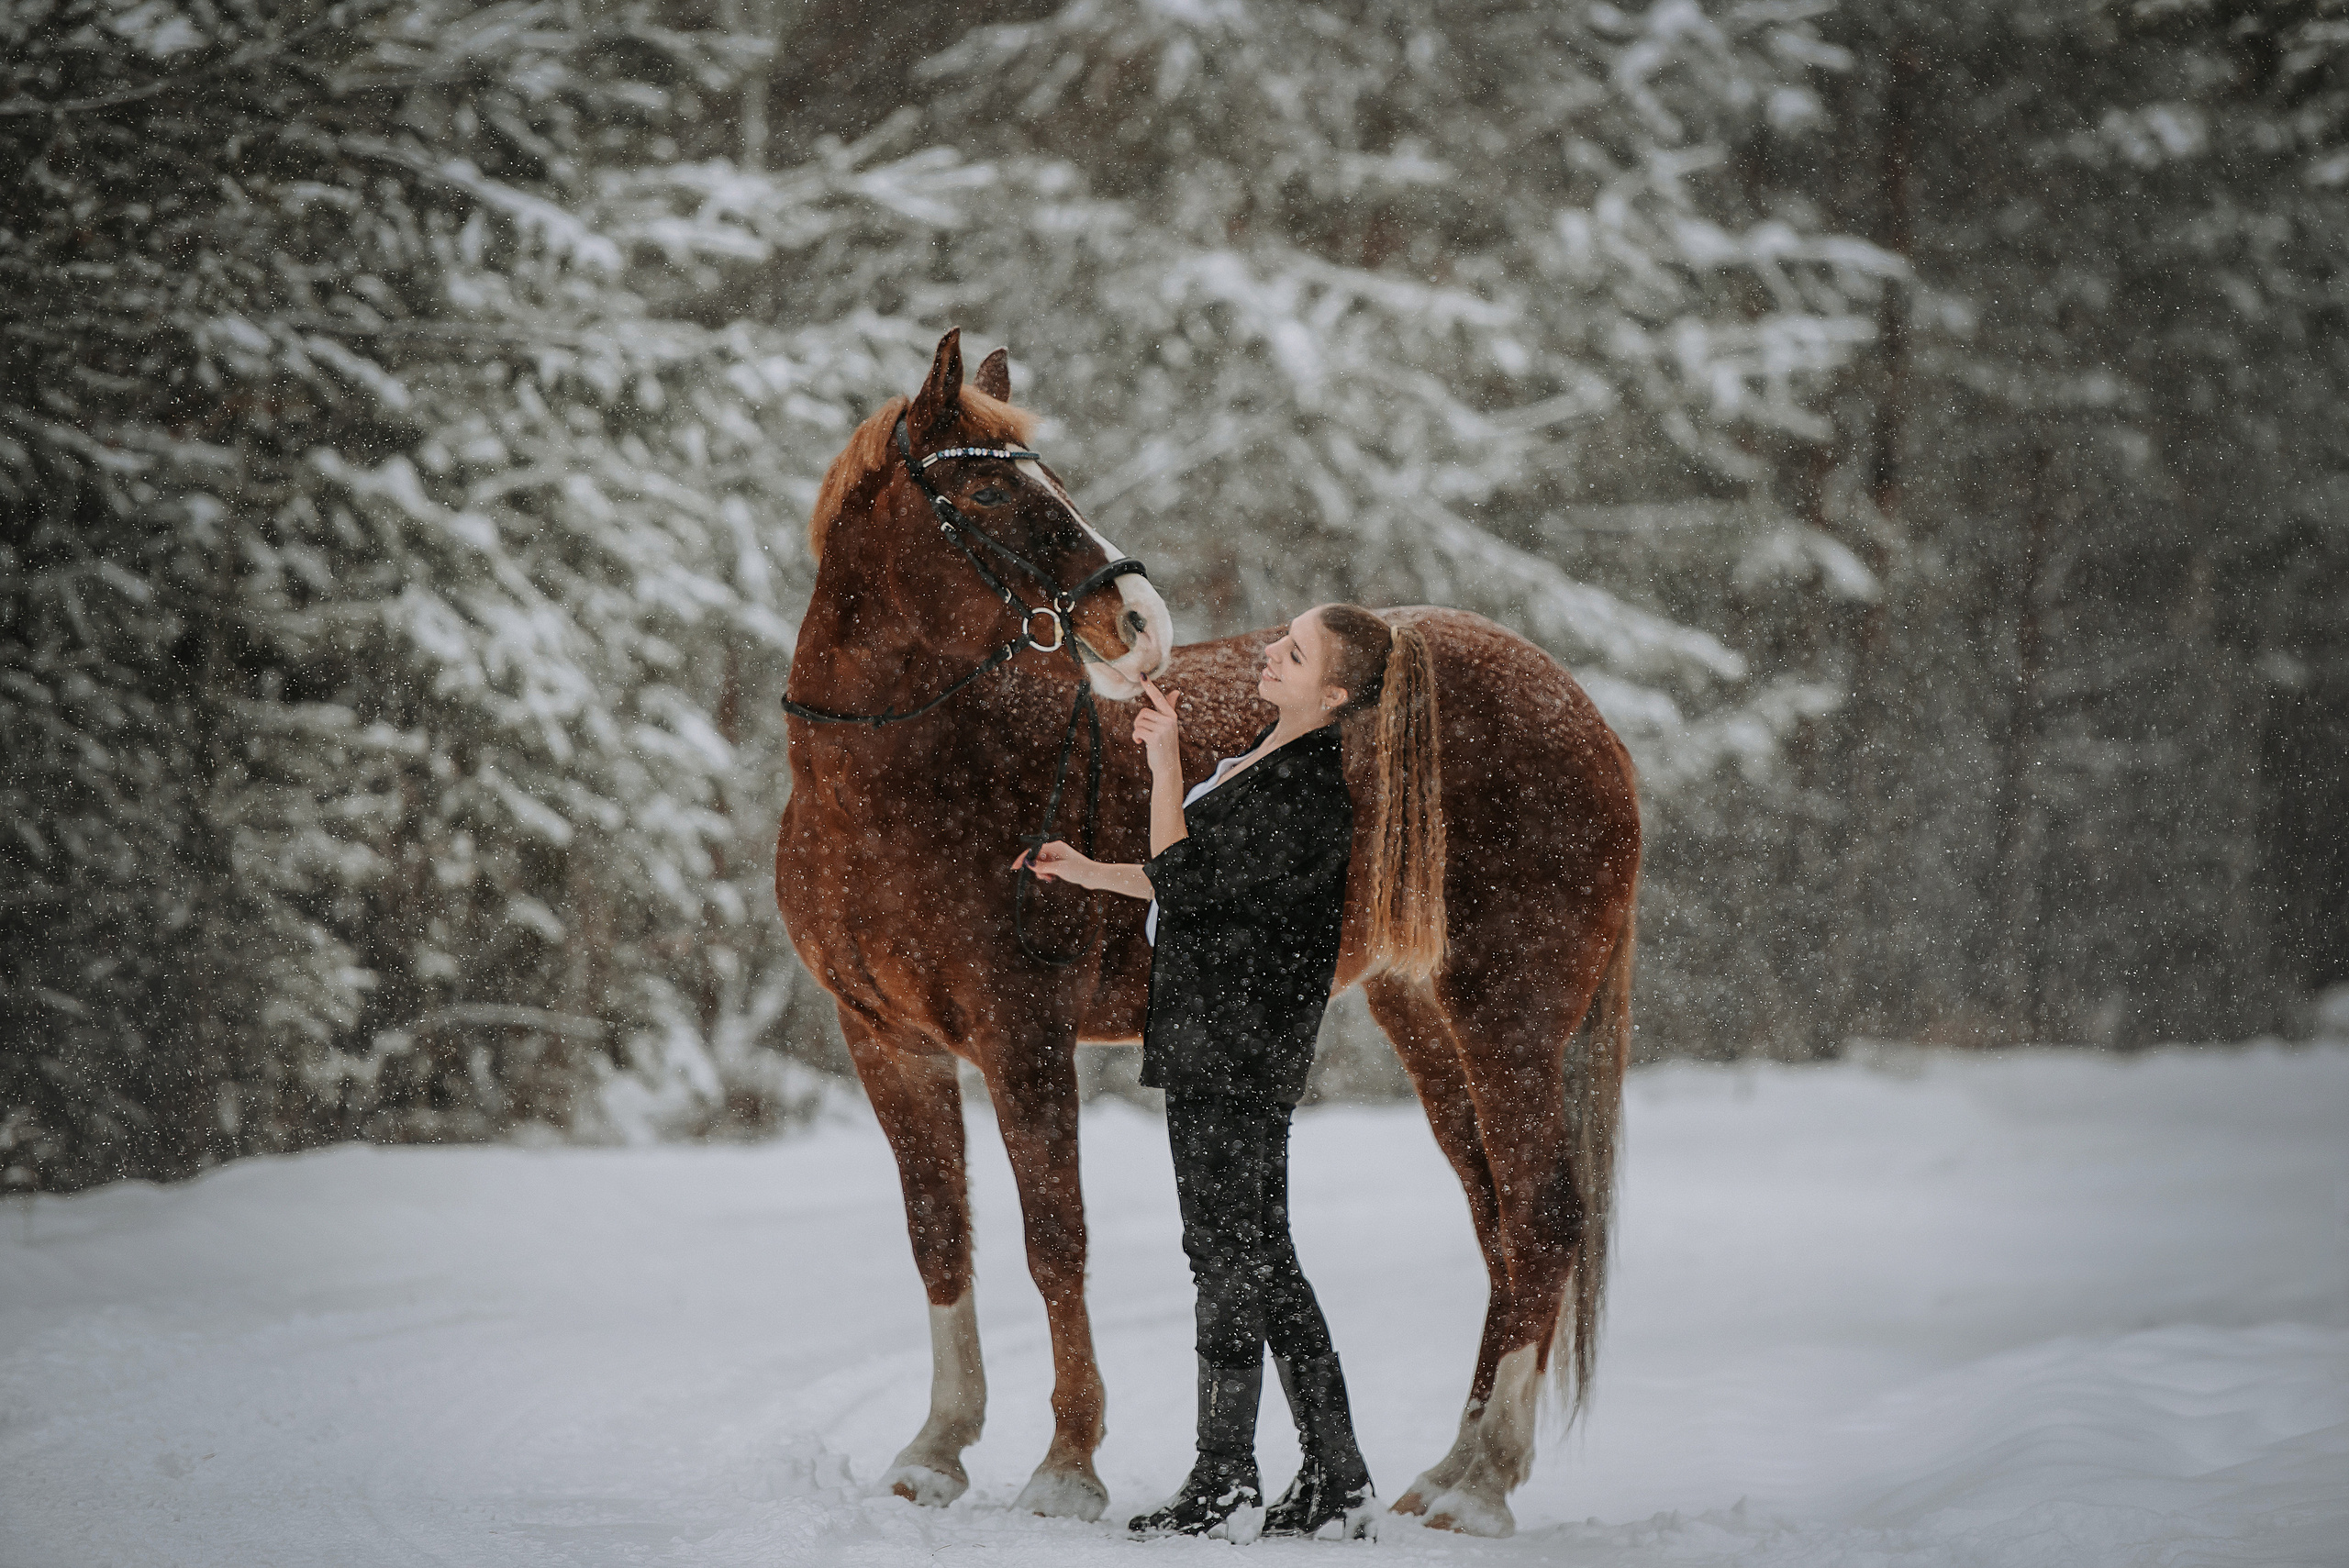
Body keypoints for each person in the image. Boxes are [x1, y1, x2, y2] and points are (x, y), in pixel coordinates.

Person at [1018, 604, 1447, 1541]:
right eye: (1278, 642)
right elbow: (1193, 878)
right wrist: (1087, 867)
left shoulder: (1305, 786)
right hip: (1222, 1034)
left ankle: (1224, 1479)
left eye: (1292, 654)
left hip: (1236, 1042)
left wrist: (1164, 759)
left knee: (1224, 1253)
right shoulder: (1264, 755)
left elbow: (1182, 871)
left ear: (1333, 694)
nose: (1268, 655)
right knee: (1260, 1254)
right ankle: (1335, 1474)